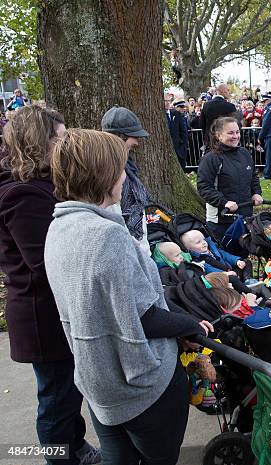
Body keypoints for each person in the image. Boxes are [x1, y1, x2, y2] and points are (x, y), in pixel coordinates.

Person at [45, 128, 214, 464]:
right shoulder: (106, 235)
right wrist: (189, 325)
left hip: (99, 382)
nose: (126, 177)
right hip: (140, 385)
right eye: (121, 169)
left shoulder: (59, 227)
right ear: (104, 175)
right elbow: (143, 316)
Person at [0, 106, 101, 464]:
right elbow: (44, 261)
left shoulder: (39, 184)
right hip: (41, 314)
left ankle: (76, 448)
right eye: (57, 138)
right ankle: (63, 457)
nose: (64, 143)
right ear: (36, 143)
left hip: (51, 308)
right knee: (57, 400)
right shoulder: (22, 193)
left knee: (66, 393)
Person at [197, 117, 263, 240]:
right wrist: (224, 202)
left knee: (242, 255)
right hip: (221, 220)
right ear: (218, 135)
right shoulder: (211, 158)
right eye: (230, 133)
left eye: (237, 132)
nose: (235, 136)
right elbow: (204, 187)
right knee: (225, 256)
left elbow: (253, 176)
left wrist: (256, 193)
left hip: (245, 215)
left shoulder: (244, 153)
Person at [101, 105, 153, 256]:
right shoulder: (106, 170)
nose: (137, 142)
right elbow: (114, 216)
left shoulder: (127, 163)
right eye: (134, 136)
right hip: (126, 251)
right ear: (120, 136)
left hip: (138, 247)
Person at [198, 83, 241, 149]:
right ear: (223, 91)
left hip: (210, 141)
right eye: (228, 90)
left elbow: (201, 124)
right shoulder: (230, 106)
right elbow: (237, 124)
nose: (229, 92)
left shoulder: (206, 105)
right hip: (226, 141)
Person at [164, 94, 188, 169]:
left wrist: (183, 145)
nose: (167, 103)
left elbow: (183, 131)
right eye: (165, 101)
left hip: (179, 149)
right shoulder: (159, 115)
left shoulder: (176, 114)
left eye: (169, 101)